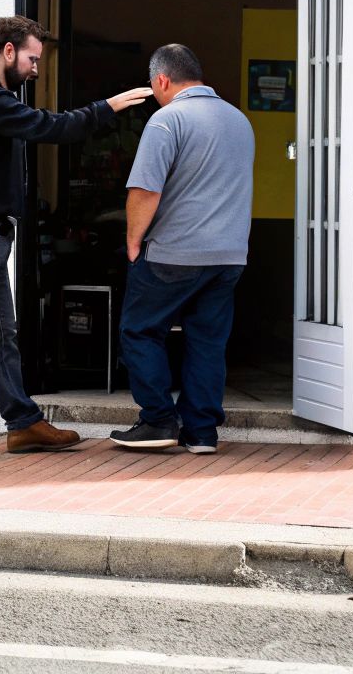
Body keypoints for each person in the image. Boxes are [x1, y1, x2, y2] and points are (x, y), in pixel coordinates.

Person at [0, 15, 153, 461]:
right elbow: (48, 127)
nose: (37, 67)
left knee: (3, 337)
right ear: (7, 51)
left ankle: (23, 424)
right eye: (32, 58)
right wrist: (108, 107)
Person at [109, 44, 254, 455]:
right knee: (207, 341)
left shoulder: (166, 120)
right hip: (228, 255)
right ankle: (201, 433)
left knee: (139, 330)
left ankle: (157, 420)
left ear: (162, 80)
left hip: (174, 253)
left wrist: (133, 242)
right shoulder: (239, 120)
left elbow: (145, 189)